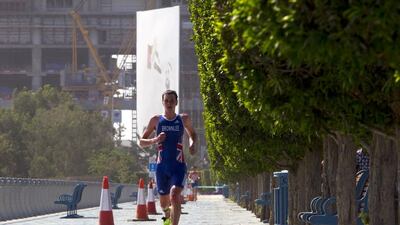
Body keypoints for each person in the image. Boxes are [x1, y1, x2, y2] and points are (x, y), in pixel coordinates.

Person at [140, 90, 197, 225]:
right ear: (163, 102)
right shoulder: (156, 120)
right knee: (164, 202)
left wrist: (192, 144)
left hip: (178, 166)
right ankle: (167, 220)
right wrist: (156, 139)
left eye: (172, 101)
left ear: (176, 102)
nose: (169, 103)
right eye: (166, 101)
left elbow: (193, 134)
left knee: (174, 195)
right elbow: (141, 142)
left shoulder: (183, 119)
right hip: (161, 168)